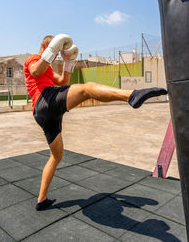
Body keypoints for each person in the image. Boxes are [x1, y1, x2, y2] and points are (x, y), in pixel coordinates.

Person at [23, 34, 167, 211]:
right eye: (58, 50)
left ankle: (41, 199)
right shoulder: (34, 59)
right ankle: (131, 95)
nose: (58, 54)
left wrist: (69, 62)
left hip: (45, 114)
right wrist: (53, 50)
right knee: (86, 89)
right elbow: (35, 71)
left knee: (56, 156)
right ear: (48, 46)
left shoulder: (47, 67)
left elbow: (63, 81)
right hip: (44, 100)